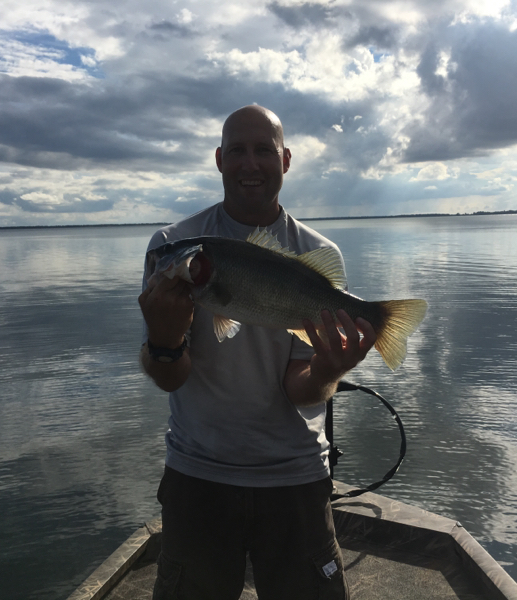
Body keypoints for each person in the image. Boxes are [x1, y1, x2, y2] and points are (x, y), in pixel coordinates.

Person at [137, 105, 376, 600]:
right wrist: (162, 339)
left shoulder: (316, 254)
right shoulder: (170, 247)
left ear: (285, 160)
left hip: (295, 478)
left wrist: (330, 368)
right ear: (220, 160)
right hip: (196, 474)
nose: (251, 163)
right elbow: (170, 378)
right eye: (238, 151)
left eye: (263, 150)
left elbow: (300, 387)